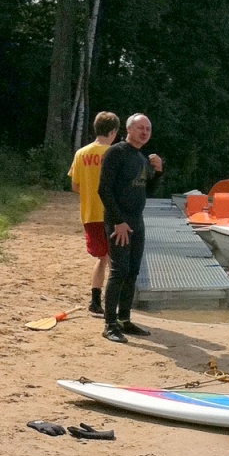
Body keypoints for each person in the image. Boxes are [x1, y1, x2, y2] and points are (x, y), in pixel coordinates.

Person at [97, 113, 163, 343]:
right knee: (119, 271)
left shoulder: (142, 158)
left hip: (137, 221)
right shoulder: (116, 152)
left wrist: (159, 172)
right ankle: (109, 324)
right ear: (128, 129)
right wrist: (118, 221)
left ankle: (125, 319)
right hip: (118, 222)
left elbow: (149, 191)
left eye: (148, 129)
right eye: (140, 128)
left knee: (133, 271)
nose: (144, 132)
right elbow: (104, 189)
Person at [68, 111, 120, 317]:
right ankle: (113, 301)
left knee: (102, 258)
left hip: (90, 213)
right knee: (114, 261)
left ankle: (95, 300)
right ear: (114, 131)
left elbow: (75, 186)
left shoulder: (81, 153)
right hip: (112, 214)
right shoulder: (115, 153)